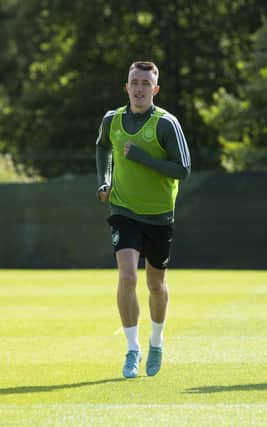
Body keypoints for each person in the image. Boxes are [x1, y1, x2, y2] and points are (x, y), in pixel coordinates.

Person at [95, 61, 191, 378]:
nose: (139, 89)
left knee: (155, 283)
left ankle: (156, 342)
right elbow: (102, 148)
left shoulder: (166, 124)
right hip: (123, 211)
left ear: (155, 89)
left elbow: (183, 170)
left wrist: (143, 158)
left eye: (145, 83)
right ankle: (132, 349)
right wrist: (104, 179)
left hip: (159, 215)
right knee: (127, 277)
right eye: (134, 82)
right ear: (126, 87)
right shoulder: (113, 119)